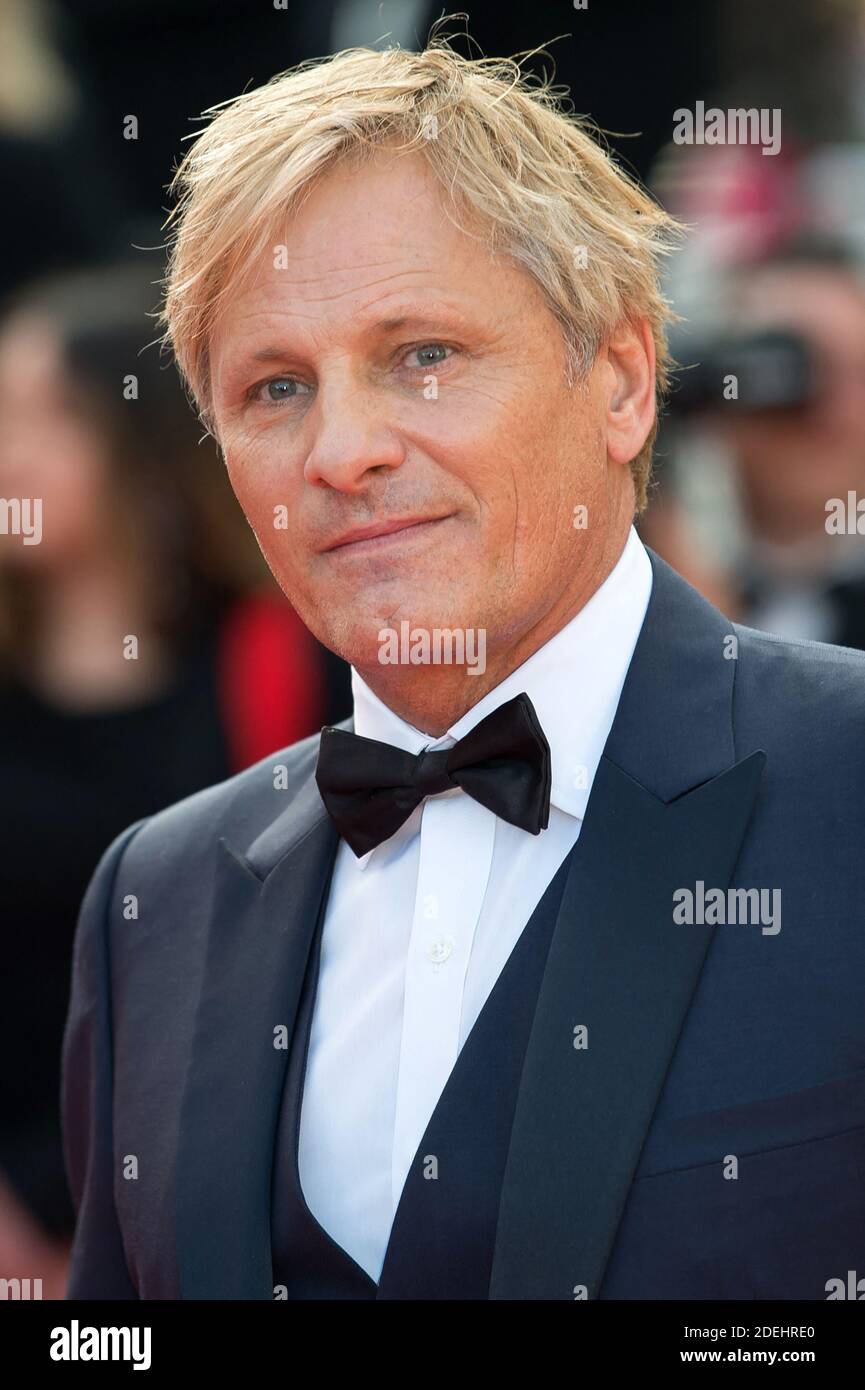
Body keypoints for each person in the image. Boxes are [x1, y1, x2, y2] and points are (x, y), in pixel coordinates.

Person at [61, 37, 865, 1301]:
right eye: (274, 387)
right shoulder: (155, 896)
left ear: (621, 379)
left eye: (421, 355)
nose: (342, 451)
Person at [0, 265, 345, 1293]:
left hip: (223, 1209)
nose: (6, 450)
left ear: (141, 444)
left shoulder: (285, 661)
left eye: (45, 413)